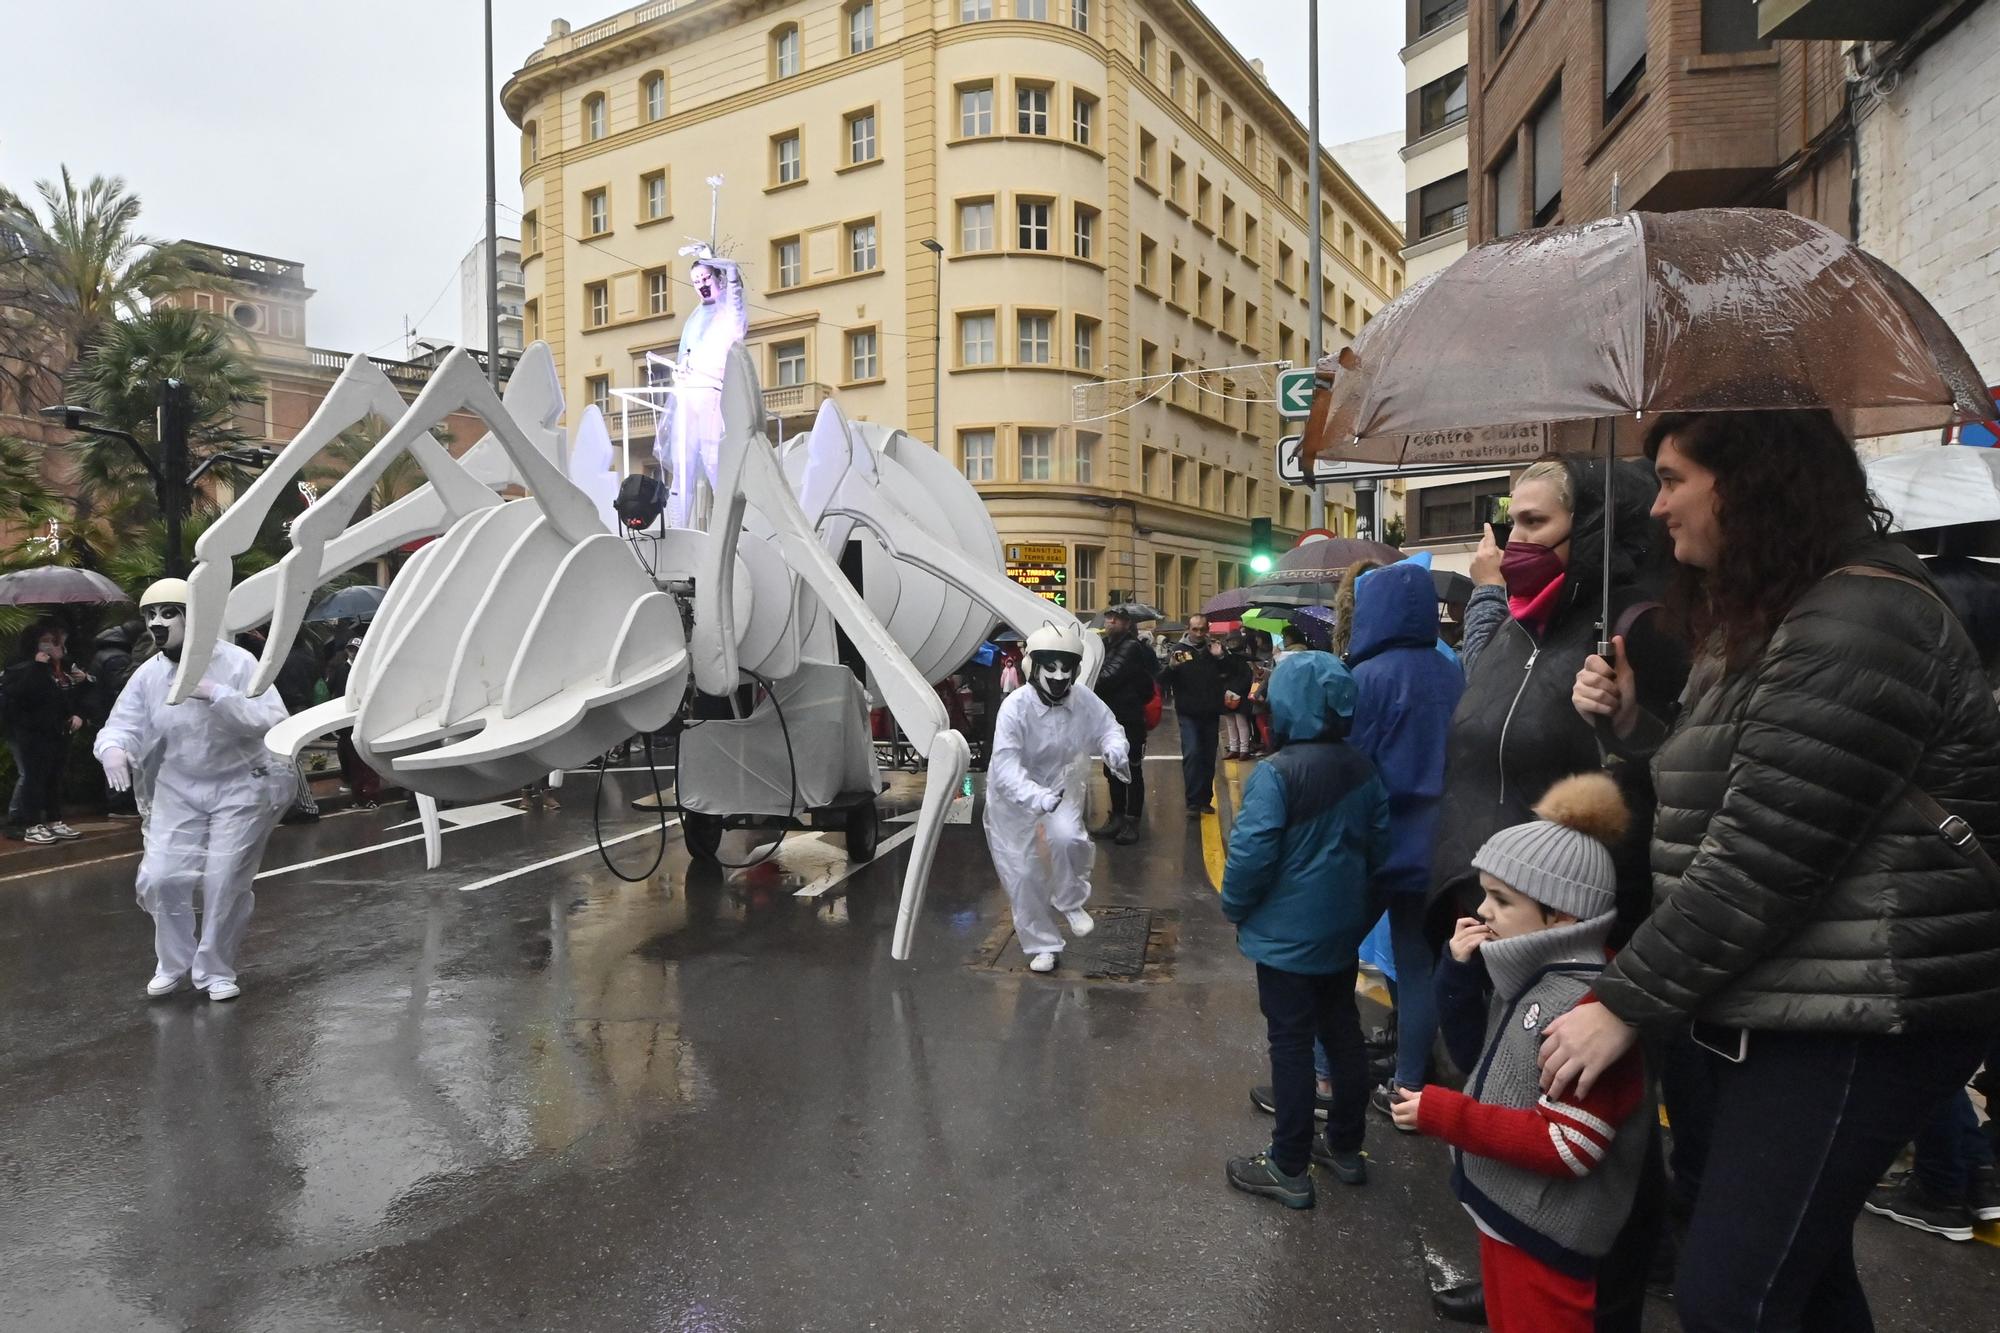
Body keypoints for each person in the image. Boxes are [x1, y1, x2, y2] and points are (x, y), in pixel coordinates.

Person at [1555, 409, 2000, 1332]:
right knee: (1805, 1281)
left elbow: (1762, 854)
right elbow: (1730, 791)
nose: (1659, 507)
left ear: (1748, 482)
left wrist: (1623, 1001)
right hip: (1802, 996)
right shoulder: (1780, 611)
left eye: (1675, 478)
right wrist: (1634, 725)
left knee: (1734, 1296)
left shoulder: (1856, 616)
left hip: (1865, 1010)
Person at [1425, 457, 1687, 1331]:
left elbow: (1679, 788)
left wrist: (1625, 726)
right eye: (1510, 520)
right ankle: (1515, 1249)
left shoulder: (1633, 630)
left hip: (1576, 936)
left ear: (1595, 531)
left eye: (1534, 522)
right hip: (1504, 923)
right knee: (1505, 1090)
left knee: (1581, 1126)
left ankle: (1591, 1284)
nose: (1511, 540)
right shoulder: (1519, 627)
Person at [1394, 773, 1653, 1333]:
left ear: (1561, 916)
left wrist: (1445, 1114)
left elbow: (1569, 1146)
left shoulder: (1585, 1007)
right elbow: (1476, 1058)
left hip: (1547, 1237)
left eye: (1502, 899)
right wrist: (1458, 975)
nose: (1483, 911)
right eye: (1485, 893)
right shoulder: (1537, 974)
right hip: (1512, 1219)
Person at [1221, 652, 1390, 1209]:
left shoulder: (1278, 772)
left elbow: (1250, 854)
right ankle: (1345, 1147)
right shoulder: (1363, 767)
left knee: (1290, 1043)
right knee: (1342, 1031)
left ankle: (1288, 1163)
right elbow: (1379, 849)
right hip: (1341, 930)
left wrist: (1235, 905)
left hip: (1286, 937)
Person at [97, 579, 291, 1002]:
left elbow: (273, 718)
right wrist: (113, 748)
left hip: (240, 786)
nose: (157, 624)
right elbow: (124, 722)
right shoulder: (149, 675)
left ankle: (216, 969)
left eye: (169, 613)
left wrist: (219, 695)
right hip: (178, 786)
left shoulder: (238, 663)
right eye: (151, 615)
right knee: (162, 877)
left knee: (224, 880)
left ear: (196, 618)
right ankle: (173, 963)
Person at [1347, 560, 1466, 1122]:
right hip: (1440, 848)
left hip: (1378, 846)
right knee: (1417, 963)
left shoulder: (1367, 679)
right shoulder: (1452, 671)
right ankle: (1407, 1088)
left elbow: (1352, 769)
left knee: (1328, 956)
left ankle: (1328, 1075)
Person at [984, 622, 1129, 974]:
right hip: (1013, 798)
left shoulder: (1082, 699)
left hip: (1061, 785)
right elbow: (1005, 766)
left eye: (1067, 667)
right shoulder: (1015, 708)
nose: (1059, 674)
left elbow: (1108, 726)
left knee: (1069, 839)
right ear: (1033, 667)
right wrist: (1036, 797)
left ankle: (1069, 900)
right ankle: (1043, 944)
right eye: (1050, 666)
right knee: (1023, 873)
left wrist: (1115, 748)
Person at [3, 622, 91, 843]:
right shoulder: (22, 666)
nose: (58, 646)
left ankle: (54, 819)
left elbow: (70, 697)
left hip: (58, 730)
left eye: (59, 641)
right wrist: (36, 667)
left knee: (54, 776)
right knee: (33, 776)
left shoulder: (64, 667)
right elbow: (20, 694)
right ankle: (28, 823)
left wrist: (83, 685)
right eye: (51, 641)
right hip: (31, 731)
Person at [1091, 608, 1157, 845]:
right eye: (1108, 617)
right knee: (1111, 768)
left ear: (1127, 623)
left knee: (1131, 769)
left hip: (1128, 717)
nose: (1110, 621)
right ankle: (1117, 816)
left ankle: (1131, 821)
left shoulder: (1130, 647)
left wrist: (1087, 676)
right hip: (1112, 716)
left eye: (1116, 618)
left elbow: (1108, 676)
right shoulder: (1107, 644)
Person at [1164, 614, 1225, 813]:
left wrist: (1221, 658)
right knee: (1192, 753)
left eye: (1202, 629)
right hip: (1188, 711)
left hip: (1210, 711)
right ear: (1188, 629)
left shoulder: (1213, 650)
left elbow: (1233, 673)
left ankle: (1204, 799)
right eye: (1195, 629)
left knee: (1208, 756)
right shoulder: (1180, 651)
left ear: (1208, 629)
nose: (1198, 633)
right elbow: (1163, 679)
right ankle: (1192, 800)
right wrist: (1171, 668)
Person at [324, 637, 381, 808]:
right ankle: (359, 797)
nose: (354, 653)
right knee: (354, 762)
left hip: (363, 721)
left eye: (356, 649)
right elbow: (332, 691)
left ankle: (370, 797)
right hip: (347, 723)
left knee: (366, 762)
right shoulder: (341, 669)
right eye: (351, 649)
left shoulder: (368, 669)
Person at [1219, 632, 1255, 761]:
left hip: (1238, 694)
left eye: (1235, 641)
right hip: (1229, 693)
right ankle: (1235, 748)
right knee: (1231, 723)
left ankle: (1243, 749)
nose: (1232, 644)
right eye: (1230, 641)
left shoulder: (1244, 659)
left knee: (1241, 722)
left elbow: (1247, 678)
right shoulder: (1228, 658)